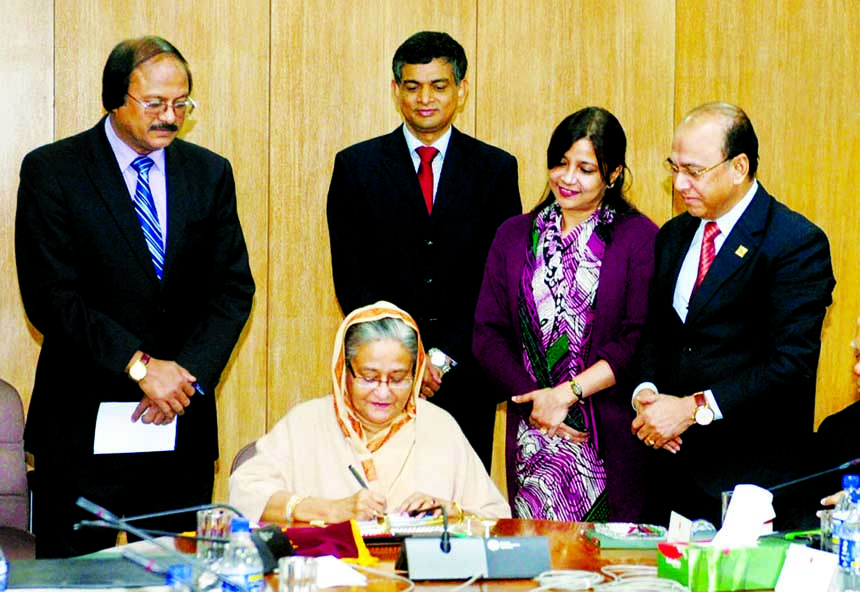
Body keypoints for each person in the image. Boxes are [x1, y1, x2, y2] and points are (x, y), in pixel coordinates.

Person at [15, 36, 255, 557]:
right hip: (82, 431)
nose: (171, 116)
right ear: (114, 98)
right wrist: (143, 367)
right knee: (74, 586)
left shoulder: (209, 173)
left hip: (178, 430)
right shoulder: (53, 171)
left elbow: (233, 288)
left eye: (181, 103)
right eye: (155, 104)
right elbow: (51, 297)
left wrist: (183, 374)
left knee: (178, 576)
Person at [630, 102, 835, 528]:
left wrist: (693, 408)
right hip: (669, 471)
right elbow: (657, 332)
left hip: (746, 483)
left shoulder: (794, 243)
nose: (680, 183)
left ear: (739, 166)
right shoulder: (674, 235)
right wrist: (647, 396)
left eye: (694, 171)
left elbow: (790, 365)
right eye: (674, 167)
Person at [326, 31, 522, 469]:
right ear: (396, 91)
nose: (425, 99)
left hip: (466, 372)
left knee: (460, 505)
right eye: (412, 86)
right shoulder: (357, 167)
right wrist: (406, 357)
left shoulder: (495, 169)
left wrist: (439, 357)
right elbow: (353, 277)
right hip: (383, 376)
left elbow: (497, 279)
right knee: (385, 504)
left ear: (461, 89)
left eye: (438, 85)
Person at [472, 107, 658, 521]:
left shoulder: (639, 237)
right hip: (533, 429)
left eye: (586, 169)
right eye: (560, 163)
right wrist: (539, 401)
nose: (567, 178)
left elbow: (635, 337)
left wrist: (566, 396)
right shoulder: (514, 235)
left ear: (613, 175)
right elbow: (488, 335)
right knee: (537, 562)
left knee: (606, 567)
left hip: (607, 434)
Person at [229, 302, 510, 523]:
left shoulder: (439, 425)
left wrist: (451, 513)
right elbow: (244, 494)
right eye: (369, 377)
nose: (384, 392)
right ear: (344, 371)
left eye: (399, 378)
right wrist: (330, 510)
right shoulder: (306, 423)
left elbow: (495, 516)